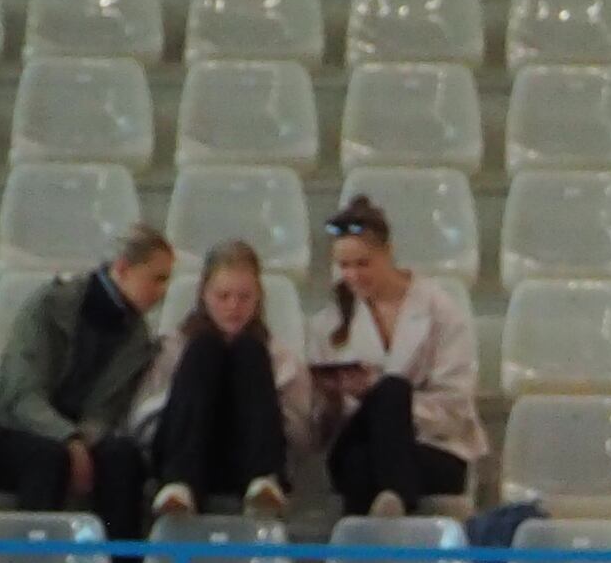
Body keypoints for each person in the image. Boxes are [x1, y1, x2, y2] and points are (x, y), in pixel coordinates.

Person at [0, 225, 175, 540]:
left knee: (123, 458)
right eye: (157, 278)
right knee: (47, 459)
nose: (163, 291)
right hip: (14, 434)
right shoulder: (47, 305)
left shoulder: (137, 339)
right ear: (123, 268)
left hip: (81, 437)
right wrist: (68, 439)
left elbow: (107, 411)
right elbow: (20, 396)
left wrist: (82, 439)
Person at [306, 193, 482, 519]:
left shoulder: (440, 310)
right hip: (358, 440)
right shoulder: (328, 324)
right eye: (345, 266)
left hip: (433, 447)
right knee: (361, 452)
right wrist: (331, 399)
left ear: (388, 253)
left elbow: (455, 405)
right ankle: (397, 498)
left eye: (363, 264)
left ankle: (382, 522)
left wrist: (392, 407)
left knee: (391, 393)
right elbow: (322, 430)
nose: (354, 276)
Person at [132, 238, 302, 522]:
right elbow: (142, 419)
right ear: (204, 296)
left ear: (258, 297)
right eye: (223, 296)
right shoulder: (174, 346)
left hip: (248, 455)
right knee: (204, 348)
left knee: (249, 349)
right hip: (187, 452)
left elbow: (300, 431)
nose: (233, 307)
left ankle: (263, 482)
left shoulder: (278, 355)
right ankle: (180, 485)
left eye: (244, 297)